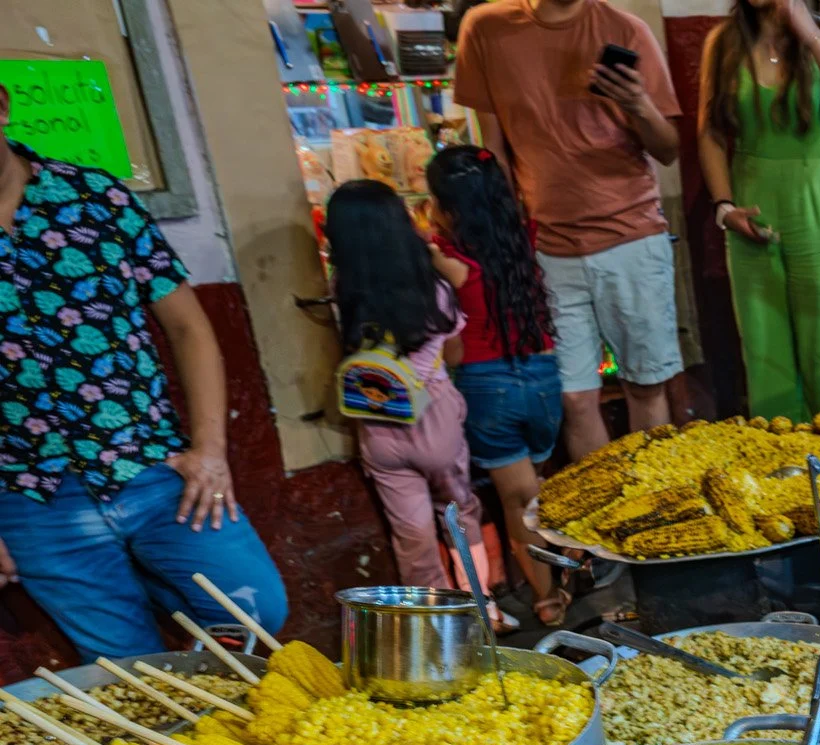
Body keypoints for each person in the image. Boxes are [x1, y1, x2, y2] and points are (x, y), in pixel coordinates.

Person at [0, 88, 288, 660]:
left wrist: (211, 449)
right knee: (123, 667)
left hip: (154, 468)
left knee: (254, 614)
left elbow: (187, 326)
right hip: (30, 498)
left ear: (3, 106)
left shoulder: (94, 197)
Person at [454, 0, 686, 457]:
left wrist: (638, 103)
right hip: (548, 247)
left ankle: (655, 504)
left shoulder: (625, 29)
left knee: (646, 387)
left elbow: (668, 148)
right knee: (575, 398)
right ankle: (599, 519)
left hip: (632, 238)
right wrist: (507, 240)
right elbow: (494, 148)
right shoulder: (485, 29)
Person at [325, 181, 495, 618]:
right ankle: (481, 611)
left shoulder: (342, 292)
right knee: (459, 517)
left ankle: (437, 626)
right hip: (433, 413)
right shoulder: (430, 286)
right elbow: (452, 349)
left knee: (413, 535)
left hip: (378, 423)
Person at [700, 0, 820, 422]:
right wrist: (724, 208)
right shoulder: (722, 42)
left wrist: (809, 34)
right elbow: (709, 133)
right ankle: (783, 475)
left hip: (819, 209)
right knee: (766, 356)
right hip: (751, 216)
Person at [425, 145, 568, 627]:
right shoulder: (526, 239)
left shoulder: (447, 261)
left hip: (489, 389)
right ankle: (567, 573)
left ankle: (548, 598)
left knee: (520, 503)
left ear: (446, 208)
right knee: (538, 493)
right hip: (545, 381)